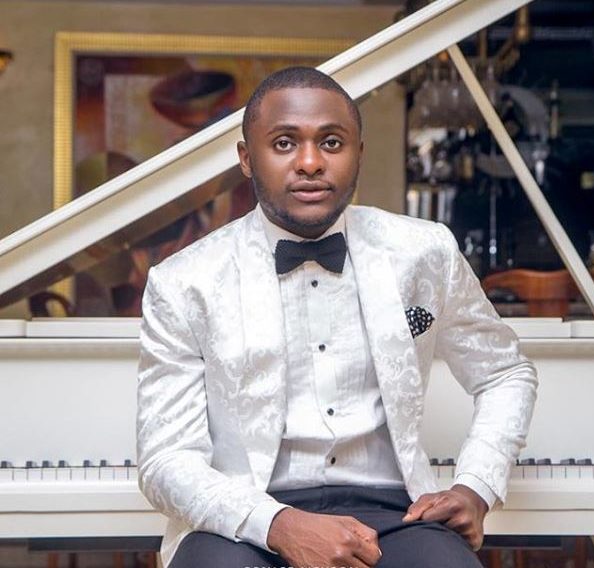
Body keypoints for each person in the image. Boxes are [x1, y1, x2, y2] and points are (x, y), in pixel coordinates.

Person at [137, 66, 538, 568]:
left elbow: (505, 373)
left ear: (358, 153)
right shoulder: (183, 281)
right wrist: (279, 524)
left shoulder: (424, 252)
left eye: (331, 142)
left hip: (396, 511)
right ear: (246, 158)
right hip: (244, 515)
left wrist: (477, 484)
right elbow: (165, 459)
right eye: (284, 143)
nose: (310, 163)